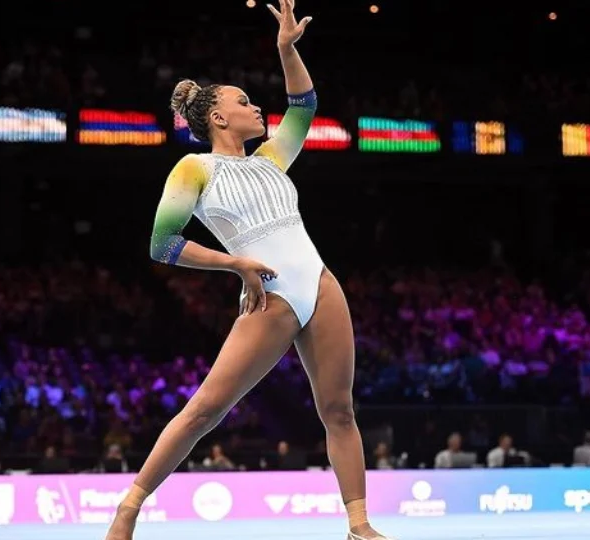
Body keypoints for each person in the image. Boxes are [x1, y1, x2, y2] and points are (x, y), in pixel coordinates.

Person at [105, 2, 392, 539]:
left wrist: (287, 49)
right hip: (272, 296)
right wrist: (235, 263)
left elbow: (304, 105)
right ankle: (129, 510)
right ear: (217, 116)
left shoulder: (271, 159)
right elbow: (163, 245)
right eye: (243, 101)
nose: (256, 106)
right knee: (205, 411)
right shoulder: (195, 168)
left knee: (340, 410)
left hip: (321, 284)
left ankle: (359, 525)